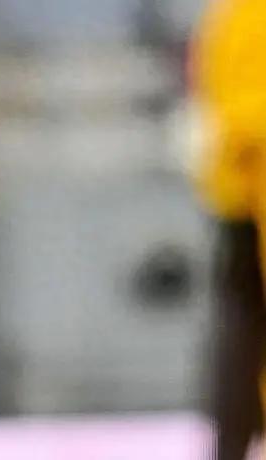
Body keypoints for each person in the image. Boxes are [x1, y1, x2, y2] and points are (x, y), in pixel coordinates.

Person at [191, 0, 266, 457]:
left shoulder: (232, 15)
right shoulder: (243, 16)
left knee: (239, 335)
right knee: (240, 337)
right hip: (246, 202)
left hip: (236, 196)